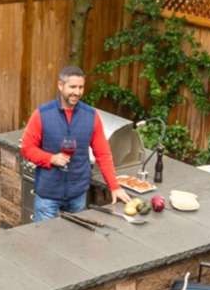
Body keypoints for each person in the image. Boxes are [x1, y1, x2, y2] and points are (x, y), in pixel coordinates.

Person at [21, 65, 130, 222]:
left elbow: (103, 154)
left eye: (81, 87)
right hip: (48, 194)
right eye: (72, 87)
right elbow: (27, 148)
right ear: (60, 85)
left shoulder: (91, 116)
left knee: (75, 242)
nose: (77, 92)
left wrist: (114, 186)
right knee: (45, 242)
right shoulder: (42, 114)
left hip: (78, 194)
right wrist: (51, 159)